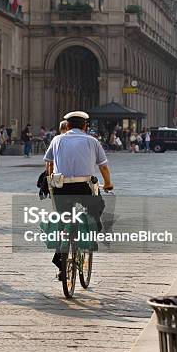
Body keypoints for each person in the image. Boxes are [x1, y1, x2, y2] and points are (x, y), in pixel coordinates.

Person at [44, 111, 113, 280]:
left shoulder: (56, 140)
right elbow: (103, 167)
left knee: (63, 219)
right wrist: (108, 183)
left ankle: (61, 259)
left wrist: (52, 180)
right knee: (97, 207)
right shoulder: (92, 141)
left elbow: (49, 164)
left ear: (66, 126)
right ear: (85, 127)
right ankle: (92, 234)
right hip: (84, 188)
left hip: (61, 188)